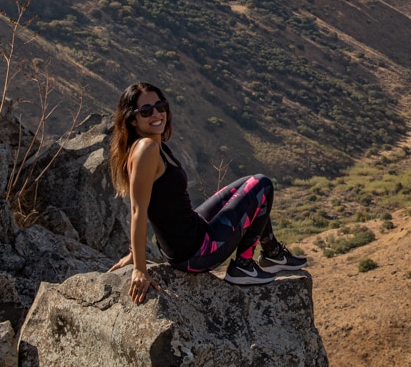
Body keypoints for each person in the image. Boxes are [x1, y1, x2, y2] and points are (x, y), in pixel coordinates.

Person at [108, 82, 306, 304]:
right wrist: (139, 269)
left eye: (160, 106)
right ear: (132, 119)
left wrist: (136, 253)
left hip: (191, 235)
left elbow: (157, 203)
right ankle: (243, 265)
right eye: (146, 111)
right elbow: (138, 209)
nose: (156, 114)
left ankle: (272, 253)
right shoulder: (147, 149)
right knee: (263, 184)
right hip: (196, 252)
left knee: (248, 186)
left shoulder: (155, 144)